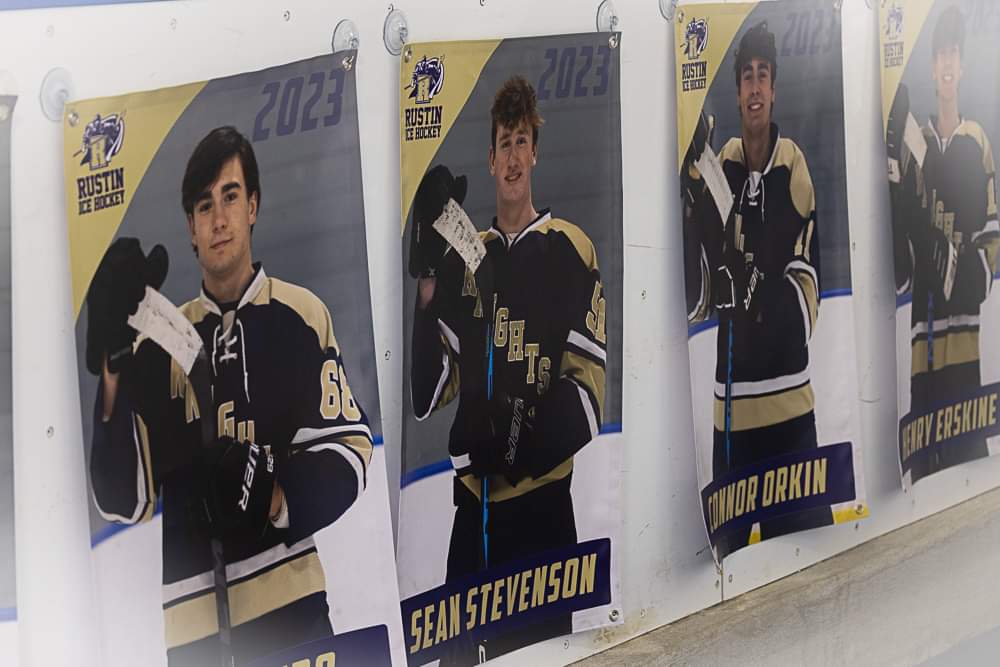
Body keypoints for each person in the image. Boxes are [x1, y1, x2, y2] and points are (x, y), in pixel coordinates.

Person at [86, 126, 374, 665]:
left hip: (293, 614)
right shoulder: (157, 348)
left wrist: (273, 495)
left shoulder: (301, 314)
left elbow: (350, 455)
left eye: (230, 196)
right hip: (193, 638)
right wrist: (113, 371)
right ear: (191, 229)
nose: (218, 219)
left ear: (253, 207)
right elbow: (123, 499)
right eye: (204, 206)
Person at [408, 76, 607, 662]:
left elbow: (589, 397)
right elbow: (427, 393)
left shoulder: (572, 249)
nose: (514, 157)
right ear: (490, 160)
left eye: (523, 142)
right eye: (505, 144)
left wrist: (514, 439)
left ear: (535, 153)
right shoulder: (466, 261)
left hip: (543, 516)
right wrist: (427, 284)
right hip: (472, 518)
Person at [683, 21, 829, 558]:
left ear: (774, 89)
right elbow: (698, 299)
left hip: (791, 417)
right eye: (746, 75)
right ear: (738, 90)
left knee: (803, 568)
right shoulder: (718, 167)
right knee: (733, 574)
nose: (755, 86)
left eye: (763, 75)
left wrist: (753, 291)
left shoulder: (794, 169)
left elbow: (806, 304)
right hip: (732, 423)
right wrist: (691, 193)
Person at [888, 6, 999, 484]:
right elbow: (902, 268)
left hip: (966, 349)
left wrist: (961, 268)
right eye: (940, 55)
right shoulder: (916, 147)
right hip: (922, 346)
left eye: (954, 53)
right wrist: (898, 184)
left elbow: (991, 240)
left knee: (969, 473)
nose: (947, 63)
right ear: (932, 68)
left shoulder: (978, 142)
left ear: (962, 65)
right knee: (926, 477)